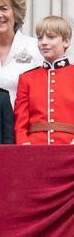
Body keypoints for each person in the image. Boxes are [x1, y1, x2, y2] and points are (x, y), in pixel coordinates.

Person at [13, 16, 74, 145]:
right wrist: (24, 143)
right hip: (35, 149)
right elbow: (20, 122)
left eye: (50, 37)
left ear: (66, 41)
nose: (43, 42)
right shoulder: (27, 78)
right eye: (40, 38)